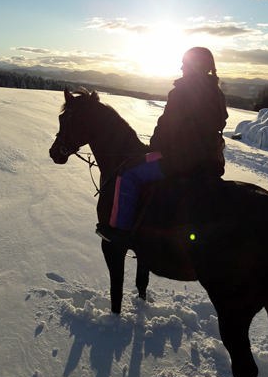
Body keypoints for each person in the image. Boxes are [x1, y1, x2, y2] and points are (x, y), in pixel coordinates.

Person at [96, 47, 229, 243]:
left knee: (127, 173)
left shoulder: (181, 92)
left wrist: (154, 146)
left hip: (180, 160)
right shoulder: (218, 94)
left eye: (185, 63)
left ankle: (120, 232)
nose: (181, 66)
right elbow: (220, 122)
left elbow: (167, 127)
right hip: (211, 161)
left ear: (196, 66)